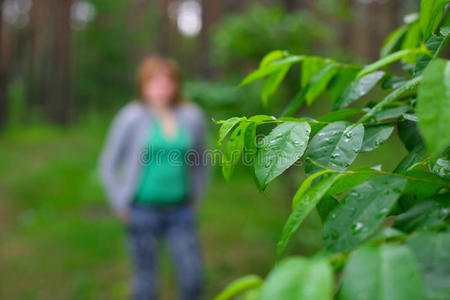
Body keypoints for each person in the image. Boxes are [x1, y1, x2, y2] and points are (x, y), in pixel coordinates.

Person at [98, 55, 208, 300]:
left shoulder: (191, 116)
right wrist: (120, 203)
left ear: (177, 84)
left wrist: (196, 196)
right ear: (143, 84)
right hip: (141, 210)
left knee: (192, 276)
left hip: (180, 210)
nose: (161, 87)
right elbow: (108, 164)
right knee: (146, 282)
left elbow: (202, 160)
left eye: (167, 81)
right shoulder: (130, 116)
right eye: (154, 81)